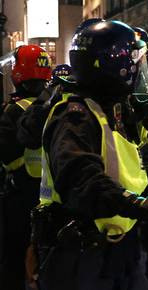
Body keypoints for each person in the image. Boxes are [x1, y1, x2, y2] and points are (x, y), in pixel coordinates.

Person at [33, 20, 148, 290]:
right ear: (112, 66)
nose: (138, 69)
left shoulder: (110, 110)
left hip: (120, 244)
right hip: (84, 254)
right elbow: (82, 181)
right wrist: (142, 205)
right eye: (134, 61)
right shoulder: (76, 117)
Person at [0, 44, 52, 290]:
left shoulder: (13, 110)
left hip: (20, 194)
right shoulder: (55, 106)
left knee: (14, 257)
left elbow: (7, 156)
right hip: (49, 194)